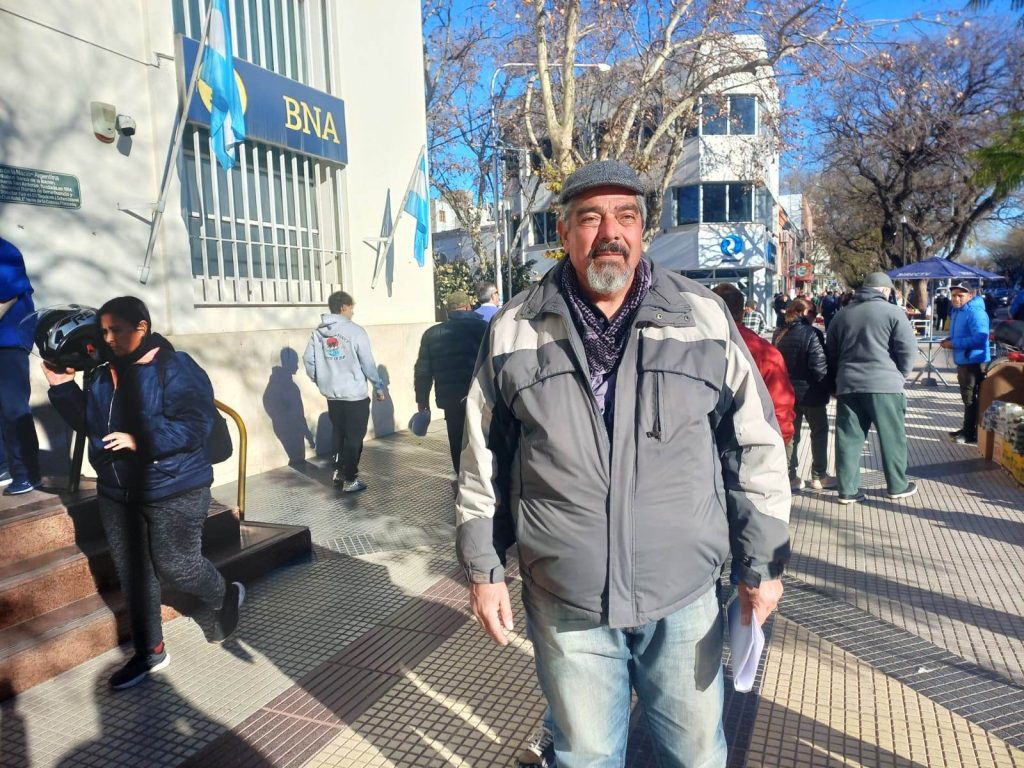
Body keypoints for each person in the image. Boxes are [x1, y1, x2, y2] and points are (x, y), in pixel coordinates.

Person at [456, 160, 791, 768]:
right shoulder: (514, 329)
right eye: (590, 217)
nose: (609, 231)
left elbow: (754, 446)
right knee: (584, 757)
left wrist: (762, 564)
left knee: (695, 756)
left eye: (626, 215)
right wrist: (484, 570)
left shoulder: (701, 316)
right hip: (566, 599)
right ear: (564, 232)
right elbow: (482, 460)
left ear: (643, 231)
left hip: (684, 597)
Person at [44, 296, 244, 689]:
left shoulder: (174, 366)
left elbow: (195, 424)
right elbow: (92, 425)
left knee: (177, 566)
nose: (108, 339)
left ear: (142, 327)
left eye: (117, 330)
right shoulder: (101, 374)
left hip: (174, 487)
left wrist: (141, 439)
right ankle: (150, 651)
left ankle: (224, 596)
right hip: (117, 492)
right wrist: (63, 388)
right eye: (104, 331)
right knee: (134, 575)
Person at [825, 272, 918, 504]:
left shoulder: (842, 315)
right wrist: (901, 375)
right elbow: (907, 349)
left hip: (848, 384)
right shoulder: (894, 312)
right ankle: (897, 486)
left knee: (848, 439)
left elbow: (831, 353)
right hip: (885, 384)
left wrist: (835, 382)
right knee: (892, 437)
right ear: (885, 290)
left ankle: (847, 490)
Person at [303, 291, 386, 493]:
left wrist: (320, 379)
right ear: (343, 307)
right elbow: (367, 363)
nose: (352, 313)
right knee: (354, 438)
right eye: (351, 308)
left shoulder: (318, 333)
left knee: (339, 433)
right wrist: (378, 386)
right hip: (354, 395)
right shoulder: (355, 331)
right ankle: (350, 478)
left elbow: (308, 360)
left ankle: (338, 472)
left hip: (332, 395)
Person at [714, 284, 795, 461]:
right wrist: (779, 443)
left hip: (702, 451)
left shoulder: (688, 349)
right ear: (743, 313)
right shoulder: (765, 352)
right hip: (753, 449)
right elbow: (780, 404)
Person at [413, 290, 487, 472]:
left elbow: (422, 371)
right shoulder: (483, 328)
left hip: (451, 399)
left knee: (456, 439)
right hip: (480, 396)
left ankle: (461, 477)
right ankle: (483, 477)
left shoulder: (431, 334)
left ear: (448, 310)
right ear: (468, 307)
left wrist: (422, 400)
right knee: (482, 438)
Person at [773, 298, 835, 491]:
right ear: (801, 313)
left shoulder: (779, 334)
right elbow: (819, 367)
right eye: (812, 313)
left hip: (787, 393)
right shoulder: (812, 334)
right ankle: (819, 475)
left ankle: (789, 476)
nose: (815, 317)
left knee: (791, 435)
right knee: (819, 433)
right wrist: (830, 388)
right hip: (811, 394)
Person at [0, 238, 42, 496]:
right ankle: (4, 467)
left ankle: (27, 474)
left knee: (13, 407)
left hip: (7, 341)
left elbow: (7, 296)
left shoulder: (4, 251)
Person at [941, 281, 990, 445]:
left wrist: (954, 344)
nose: (956, 298)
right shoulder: (957, 311)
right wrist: (950, 340)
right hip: (964, 360)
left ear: (970, 296)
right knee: (967, 398)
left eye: (960, 296)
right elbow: (963, 334)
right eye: (953, 295)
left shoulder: (975, 313)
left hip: (974, 361)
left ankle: (970, 433)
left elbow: (980, 338)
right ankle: (967, 429)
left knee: (970, 398)